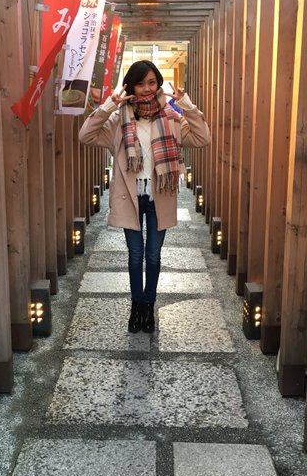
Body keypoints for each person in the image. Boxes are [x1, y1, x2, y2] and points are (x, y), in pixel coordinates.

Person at [79, 59, 210, 334]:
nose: (147, 88)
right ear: (131, 87)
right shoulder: (118, 120)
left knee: (153, 255)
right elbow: (86, 135)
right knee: (135, 255)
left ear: (158, 83)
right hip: (131, 197)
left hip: (158, 195)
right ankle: (136, 306)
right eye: (140, 84)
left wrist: (186, 104)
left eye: (151, 82)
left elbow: (202, 138)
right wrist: (109, 105)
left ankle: (148, 306)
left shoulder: (172, 118)